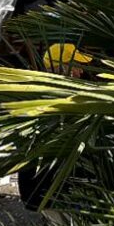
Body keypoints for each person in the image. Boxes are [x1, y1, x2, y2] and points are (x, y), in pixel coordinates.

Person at [18, 43, 93, 211]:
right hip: (47, 187)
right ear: (63, 68)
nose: (81, 72)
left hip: (41, 188)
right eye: (77, 66)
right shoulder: (59, 102)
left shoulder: (38, 94)